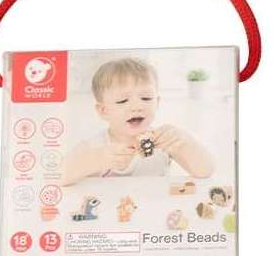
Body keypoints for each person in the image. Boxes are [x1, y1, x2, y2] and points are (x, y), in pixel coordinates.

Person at [62, 57, 213, 185]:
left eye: (146, 98)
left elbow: (205, 171)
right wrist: (97, 159)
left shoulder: (164, 142)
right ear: (103, 111)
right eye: (122, 101)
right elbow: (57, 177)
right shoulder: (95, 145)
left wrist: (184, 142)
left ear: (157, 103)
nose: (136, 106)